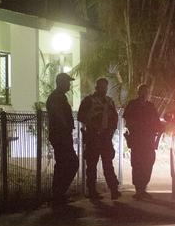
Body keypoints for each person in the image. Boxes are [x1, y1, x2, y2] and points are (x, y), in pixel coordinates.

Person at [77, 77, 121, 200]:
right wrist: (93, 124)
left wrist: (111, 131)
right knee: (91, 165)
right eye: (101, 87)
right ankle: (92, 191)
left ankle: (113, 189)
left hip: (106, 137)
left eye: (105, 87)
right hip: (93, 136)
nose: (104, 89)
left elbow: (114, 118)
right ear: (97, 87)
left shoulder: (109, 101)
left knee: (108, 164)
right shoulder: (89, 100)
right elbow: (81, 116)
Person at [123, 84, 164, 200]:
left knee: (148, 163)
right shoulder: (133, 105)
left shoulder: (150, 106)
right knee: (137, 164)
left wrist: (157, 134)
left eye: (147, 92)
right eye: (143, 92)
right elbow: (127, 119)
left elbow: (157, 123)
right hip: (137, 140)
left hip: (149, 140)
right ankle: (139, 190)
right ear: (139, 93)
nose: (145, 95)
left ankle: (143, 188)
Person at [46, 72, 79, 205]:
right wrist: (65, 128)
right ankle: (58, 194)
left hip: (63, 135)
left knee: (64, 164)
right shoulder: (56, 97)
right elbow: (58, 114)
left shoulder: (59, 97)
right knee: (69, 163)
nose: (69, 84)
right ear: (61, 82)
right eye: (68, 82)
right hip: (61, 135)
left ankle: (59, 194)